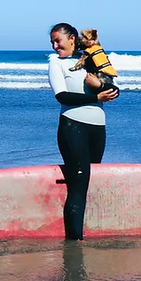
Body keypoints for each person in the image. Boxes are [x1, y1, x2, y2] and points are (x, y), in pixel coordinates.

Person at [48, 23, 118, 240]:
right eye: (52, 42)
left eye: (58, 40)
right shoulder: (55, 63)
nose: (55, 45)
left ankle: (86, 230)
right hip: (72, 127)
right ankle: (74, 243)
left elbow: (114, 91)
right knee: (79, 185)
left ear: (72, 38)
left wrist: (99, 86)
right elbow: (62, 96)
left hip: (97, 129)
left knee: (89, 181)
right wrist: (95, 97)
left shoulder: (92, 59)